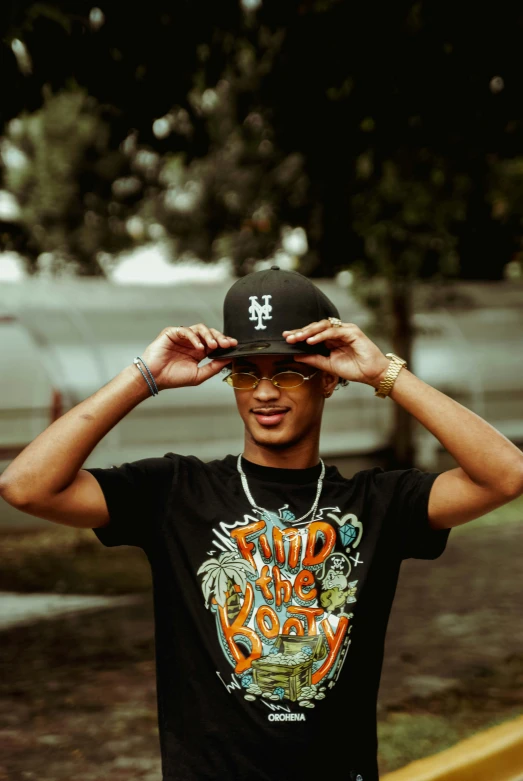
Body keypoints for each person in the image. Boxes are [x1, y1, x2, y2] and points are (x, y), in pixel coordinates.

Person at [1, 266, 522, 781]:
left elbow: (505, 475)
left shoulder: (378, 501)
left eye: (287, 371)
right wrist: (144, 378)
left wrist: (386, 373)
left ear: (328, 379)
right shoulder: (175, 492)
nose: (264, 392)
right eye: (247, 373)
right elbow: (25, 486)